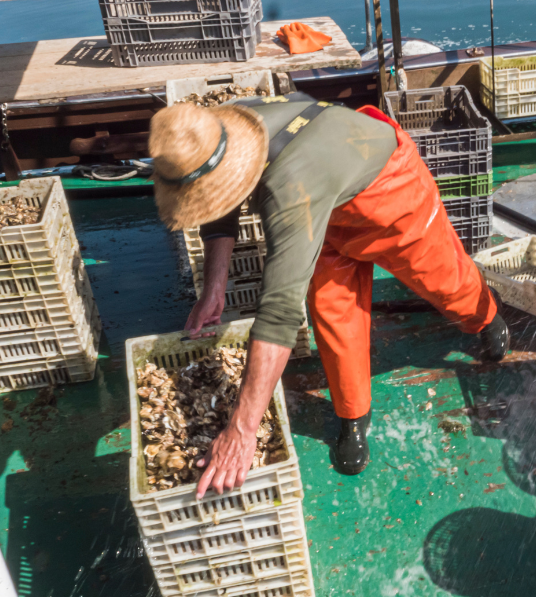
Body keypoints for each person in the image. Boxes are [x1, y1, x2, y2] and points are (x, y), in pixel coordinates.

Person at [147, 93, 510, 496]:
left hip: (390, 193)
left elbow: (280, 315)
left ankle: (487, 318)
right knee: (333, 318)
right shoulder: (219, 132)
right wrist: (212, 292)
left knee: (448, 282)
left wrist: (241, 430)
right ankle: (353, 416)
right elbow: (221, 204)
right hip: (327, 211)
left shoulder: (287, 190)